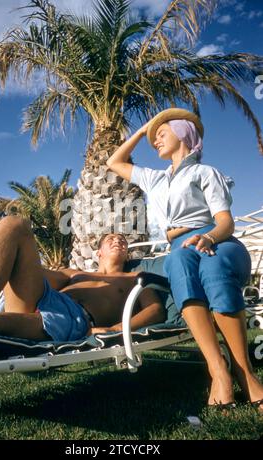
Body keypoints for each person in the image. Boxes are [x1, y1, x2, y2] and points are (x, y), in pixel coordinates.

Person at [107, 107, 263, 411]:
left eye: (162, 133)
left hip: (219, 241)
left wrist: (208, 238)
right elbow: (114, 162)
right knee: (176, 262)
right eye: (153, 137)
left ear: (183, 133)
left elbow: (225, 222)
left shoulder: (206, 172)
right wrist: (143, 131)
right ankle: (218, 370)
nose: (155, 141)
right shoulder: (155, 179)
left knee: (213, 264)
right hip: (181, 248)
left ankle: (245, 373)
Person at [0, 216, 165, 341]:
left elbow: (155, 310)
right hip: (45, 300)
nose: (118, 241)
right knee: (14, 224)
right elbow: (25, 273)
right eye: (110, 239)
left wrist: (114, 330)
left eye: (122, 241)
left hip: (74, 318)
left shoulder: (135, 277)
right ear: (98, 253)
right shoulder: (74, 273)